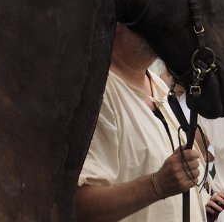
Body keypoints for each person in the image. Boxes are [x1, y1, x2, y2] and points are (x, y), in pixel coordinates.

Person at [76, 23, 211, 221]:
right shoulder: (97, 92)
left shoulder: (157, 84)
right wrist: (157, 185)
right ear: (118, 23)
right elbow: (79, 207)